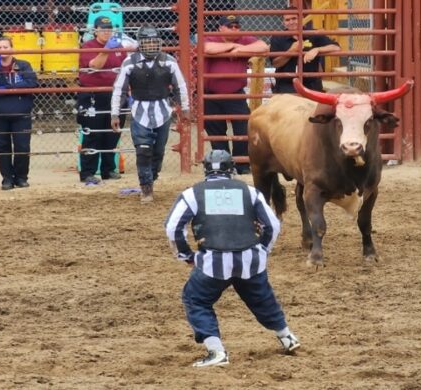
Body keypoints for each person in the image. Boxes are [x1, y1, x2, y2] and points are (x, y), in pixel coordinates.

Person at [164, 150, 300, 368]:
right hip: (250, 258)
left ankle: (216, 351)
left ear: (206, 170)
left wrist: (186, 255)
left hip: (212, 262)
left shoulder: (192, 193)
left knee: (196, 299)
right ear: (231, 169)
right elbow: (272, 225)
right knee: (262, 298)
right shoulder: (249, 191)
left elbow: (173, 228)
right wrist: (263, 249)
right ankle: (287, 337)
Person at [111, 25, 190, 202]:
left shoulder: (169, 61)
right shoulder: (129, 62)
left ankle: (152, 177)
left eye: (154, 42)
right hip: (140, 111)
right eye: (147, 43)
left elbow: (180, 86)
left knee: (158, 151)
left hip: (163, 110)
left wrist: (184, 108)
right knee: (143, 150)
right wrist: (114, 114)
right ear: (140, 44)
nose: (151, 46)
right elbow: (119, 89)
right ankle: (145, 187)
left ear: (159, 43)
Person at [203, 15, 269, 175]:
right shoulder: (210, 37)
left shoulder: (244, 39)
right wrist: (234, 46)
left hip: (235, 94)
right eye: (230, 26)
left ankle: (241, 164)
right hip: (210, 95)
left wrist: (238, 49)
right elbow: (206, 48)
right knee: (216, 131)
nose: (234, 29)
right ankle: (221, 165)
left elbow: (264, 47)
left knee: (243, 127)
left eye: (236, 26)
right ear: (220, 28)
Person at [76, 16, 129, 185]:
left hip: (115, 95)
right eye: (103, 28)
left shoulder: (119, 47)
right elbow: (94, 66)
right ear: (95, 30)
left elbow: (126, 70)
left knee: (113, 133)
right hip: (93, 96)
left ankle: (108, 169)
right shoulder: (87, 46)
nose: (106, 31)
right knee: (92, 134)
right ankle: (88, 172)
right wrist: (106, 50)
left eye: (109, 28)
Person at [0, 36, 38, 190]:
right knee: (2, 146)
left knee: (22, 147)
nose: (2, 50)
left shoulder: (23, 65)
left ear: (12, 49)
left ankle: (21, 177)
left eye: (5, 47)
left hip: (21, 113)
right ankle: (7, 178)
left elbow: (32, 83)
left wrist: (5, 87)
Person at [270, 6, 340, 93]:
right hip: (287, 84)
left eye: (294, 18)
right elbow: (275, 64)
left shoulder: (313, 34)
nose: (291, 22)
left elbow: (336, 48)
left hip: (312, 83)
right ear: (283, 22)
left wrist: (317, 49)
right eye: (287, 20)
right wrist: (291, 51)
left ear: (301, 19)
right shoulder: (277, 38)